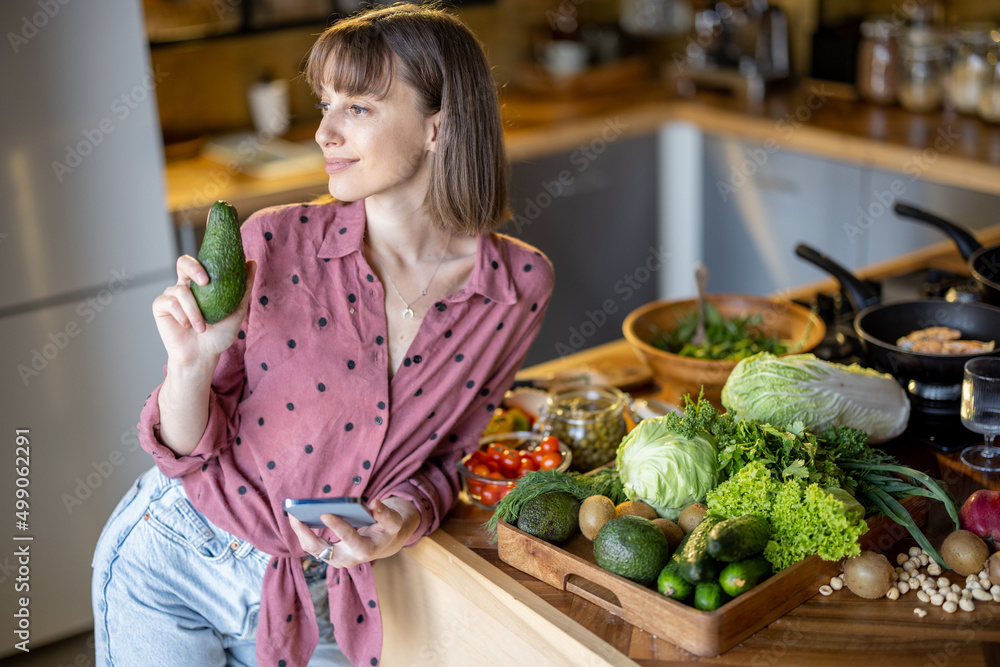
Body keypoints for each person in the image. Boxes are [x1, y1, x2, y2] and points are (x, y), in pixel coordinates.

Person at [90, 4, 554, 666]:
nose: (323, 132)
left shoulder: (515, 287)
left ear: (438, 125)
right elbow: (191, 450)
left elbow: (451, 455)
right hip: (179, 561)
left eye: (357, 107)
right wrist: (189, 365)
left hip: (326, 588)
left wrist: (403, 518)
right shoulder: (274, 242)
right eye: (324, 103)